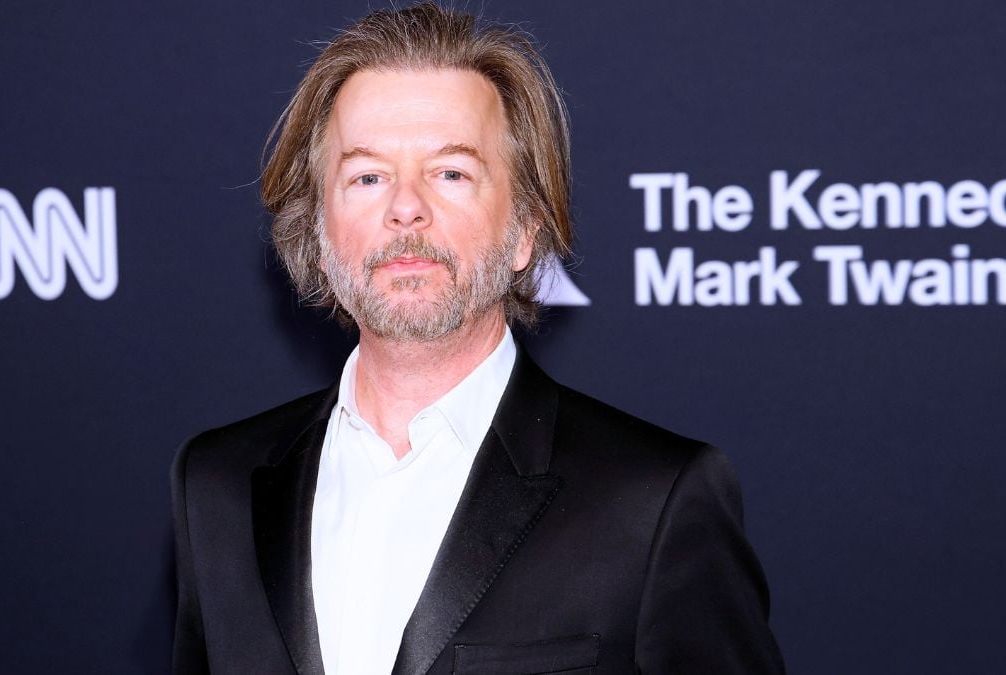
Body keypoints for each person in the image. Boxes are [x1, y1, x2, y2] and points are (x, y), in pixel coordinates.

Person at [170, 3, 785, 673]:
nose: (406, 207)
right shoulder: (218, 487)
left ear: (525, 228)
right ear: (319, 235)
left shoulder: (655, 502)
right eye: (367, 176)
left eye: (451, 173)